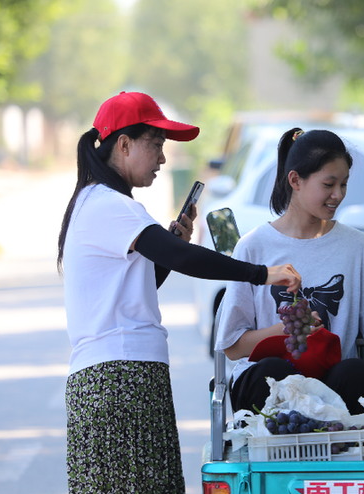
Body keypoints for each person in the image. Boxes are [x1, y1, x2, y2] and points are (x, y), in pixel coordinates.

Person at [57, 91, 301, 494]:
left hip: (116, 379)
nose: (162, 159)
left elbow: (138, 287)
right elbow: (185, 258)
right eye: (155, 145)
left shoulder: (98, 202)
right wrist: (262, 273)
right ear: (124, 144)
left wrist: (172, 251)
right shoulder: (110, 205)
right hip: (121, 381)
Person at [214, 127, 364, 415]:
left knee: (355, 373)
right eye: (328, 184)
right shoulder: (253, 246)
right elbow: (233, 347)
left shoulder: (356, 246)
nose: (338, 195)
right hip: (269, 385)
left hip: (331, 384)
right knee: (273, 370)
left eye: (344, 184)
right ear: (295, 180)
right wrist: (285, 331)